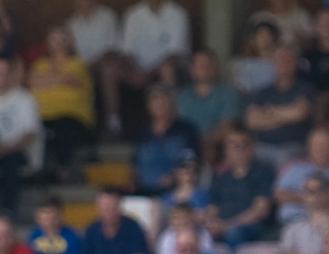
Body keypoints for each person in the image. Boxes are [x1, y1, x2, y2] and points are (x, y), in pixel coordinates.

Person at [99, 0, 190, 136]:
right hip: (138, 69)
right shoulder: (134, 14)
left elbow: (174, 53)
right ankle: (113, 123)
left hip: (166, 68)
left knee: (167, 68)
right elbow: (126, 51)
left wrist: (148, 73)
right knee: (109, 69)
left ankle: (171, 121)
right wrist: (135, 70)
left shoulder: (177, 13)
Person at [0, 57, 43, 217]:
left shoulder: (26, 98)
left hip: (16, 151)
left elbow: (29, 134)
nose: (0, 77)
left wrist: (2, 150)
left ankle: (8, 210)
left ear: (12, 75)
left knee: (9, 163)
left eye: (4, 73)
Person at [29, 27, 94, 182]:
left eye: (62, 38)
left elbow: (72, 79)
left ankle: (63, 171)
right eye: (54, 38)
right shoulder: (40, 64)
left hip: (73, 116)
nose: (58, 43)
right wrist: (59, 79)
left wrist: (46, 80)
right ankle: (36, 172)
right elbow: (31, 81)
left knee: (64, 127)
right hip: (42, 115)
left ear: (70, 42)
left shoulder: (78, 63)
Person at [275, 128, 329, 225]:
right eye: (317, 146)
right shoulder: (296, 169)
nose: (321, 150)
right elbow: (279, 195)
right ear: (309, 148)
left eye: (326, 146)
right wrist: (305, 197)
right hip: (295, 221)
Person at [205, 126, 276, 247]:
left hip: (250, 226)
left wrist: (228, 225)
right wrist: (211, 222)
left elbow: (261, 210)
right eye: (234, 146)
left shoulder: (263, 172)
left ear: (251, 148)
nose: (239, 150)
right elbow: (212, 207)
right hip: (223, 225)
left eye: (243, 145)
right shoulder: (221, 176)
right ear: (226, 150)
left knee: (234, 233)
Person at [245, 44, 313, 168]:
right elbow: (252, 121)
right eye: (280, 59)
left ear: (295, 63)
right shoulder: (263, 91)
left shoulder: (305, 88)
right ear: (273, 63)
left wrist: (268, 111)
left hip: (292, 148)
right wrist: (287, 113)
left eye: (288, 59)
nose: (284, 63)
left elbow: (299, 114)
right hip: (262, 146)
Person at [175, 49, 240, 165]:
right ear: (192, 69)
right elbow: (179, 125)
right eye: (200, 65)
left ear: (215, 67)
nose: (205, 68)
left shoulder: (227, 92)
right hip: (188, 148)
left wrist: (206, 142)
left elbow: (227, 124)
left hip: (217, 149)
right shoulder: (182, 96)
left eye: (208, 64)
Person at [132, 86, 199, 195]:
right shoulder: (142, 134)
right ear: (148, 106)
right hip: (144, 192)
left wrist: (173, 177)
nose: (159, 107)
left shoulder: (186, 130)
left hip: (176, 193)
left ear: (172, 105)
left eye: (163, 102)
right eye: (155, 103)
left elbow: (191, 161)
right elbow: (134, 165)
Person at [79, 186, 150, 254]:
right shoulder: (91, 229)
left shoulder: (133, 226)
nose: (109, 211)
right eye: (105, 207)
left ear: (119, 207)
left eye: (113, 207)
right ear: (98, 208)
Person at [280, 173, 329, 254]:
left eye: (318, 189)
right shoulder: (293, 227)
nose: (312, 193)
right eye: (308, 190)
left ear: (328, 193)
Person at [231, 21, 280, 98]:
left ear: (274, 37)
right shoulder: (244, 64)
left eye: (268, 35)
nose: (264, 38)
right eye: (260, 35)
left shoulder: (282, 62)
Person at [67, 0, 120, 69]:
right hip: (82, 66)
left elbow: (114, 46)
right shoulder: (72, 24)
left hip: (105, 63)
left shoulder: (107, 16)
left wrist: (99, 61)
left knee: (109, 67)